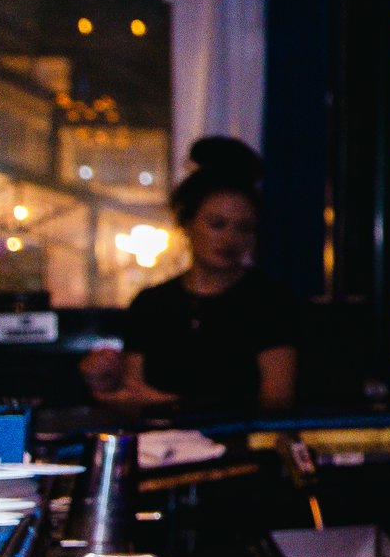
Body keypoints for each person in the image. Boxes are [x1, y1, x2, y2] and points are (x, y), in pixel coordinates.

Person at [83, 138, 299, 413]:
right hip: (160, 449)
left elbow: (278, 403)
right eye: (217, 224)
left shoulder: (270, 301)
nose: (230, 239)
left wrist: (174, 405)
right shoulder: (152, 303)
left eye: (244, 228)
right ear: (187, 223)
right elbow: (134, 394)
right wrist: (103, 380)